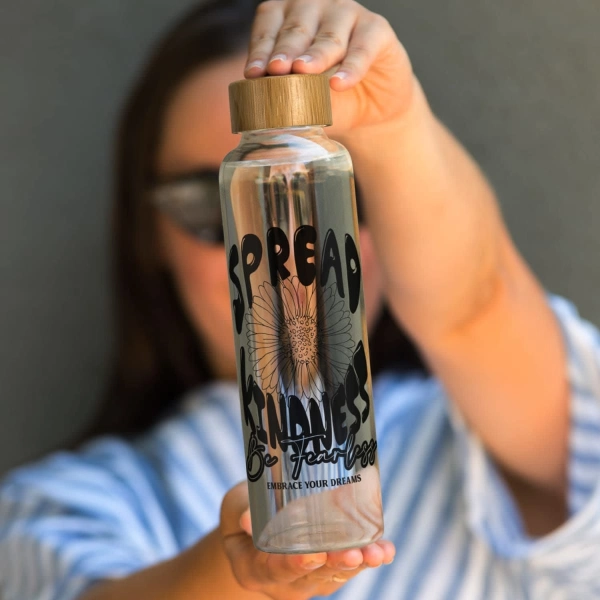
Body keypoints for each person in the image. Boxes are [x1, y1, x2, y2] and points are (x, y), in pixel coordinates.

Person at [1, 0, 600, 598]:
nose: (287, 254)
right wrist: (236, 569)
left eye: (342, 199)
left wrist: (394, 129)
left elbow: (474, 309)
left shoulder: (477, 439)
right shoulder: (68, 505)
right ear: (147, 231)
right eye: (212, 207)